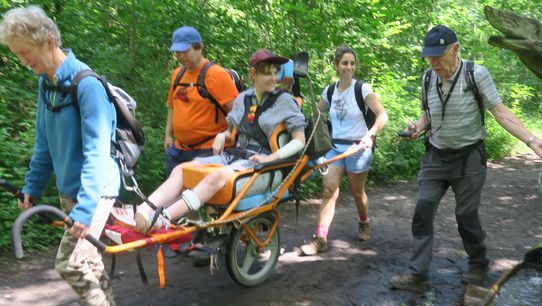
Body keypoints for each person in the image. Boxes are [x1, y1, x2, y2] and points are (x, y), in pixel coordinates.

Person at [0, 6, 128, 306]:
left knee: (69, 262)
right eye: (17, 55)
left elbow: (97, 154)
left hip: (96, 189)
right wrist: (32, 187)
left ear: (49, 41)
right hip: (70, 191)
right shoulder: (47, 85)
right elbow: (44, 143)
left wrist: (86, 208)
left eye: (26, 52)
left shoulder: (86, 86)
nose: (23, 61)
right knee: (87, 259)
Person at [390, 25, 542, 293]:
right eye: (429, 57)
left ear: (455, 49)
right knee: (422, 211)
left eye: (439, 56)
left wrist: (532, 141)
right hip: (435, 156)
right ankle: (418, 273)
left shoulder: (475, 75)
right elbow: (428, 114)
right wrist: (417, 129)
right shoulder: (427, 78)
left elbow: (500, 112)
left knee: (465, 216)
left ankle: (478, 264)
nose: (433, 62)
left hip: (469, 159)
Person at [134, 49, 306, 231]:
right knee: (182, 170)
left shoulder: (285, 101)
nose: (273, 78)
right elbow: (231, 131)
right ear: (254, 73)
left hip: (266, 165)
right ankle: (144, 211)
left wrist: (270, 158)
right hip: (237, 155)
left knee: (218, 175)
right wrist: (221, 135)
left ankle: (163, 219)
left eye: (275, 72)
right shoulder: (244, 98)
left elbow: (299, 141)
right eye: (267, 73)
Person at [300, 45, 388, 255]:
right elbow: (316, 115)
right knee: (329, 191)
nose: (348, 67)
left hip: (358, 148)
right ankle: (320, 239)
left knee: (357, 193)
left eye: (351, 63)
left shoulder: (362, 89)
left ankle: (364, 221)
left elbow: (382, 115)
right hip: (335, 147)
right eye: (344, 63)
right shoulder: (330, 91)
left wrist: (370, 135)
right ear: (337, 66)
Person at [164, 26, 239, 177]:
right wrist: (168, 135)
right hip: (177, 150)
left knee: (196, 199)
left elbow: (239, 112)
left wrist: (226, 136)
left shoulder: (216, 75)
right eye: (177, 52)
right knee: (171, 198)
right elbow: (172, 106)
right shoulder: (177, 75)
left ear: (200, 48)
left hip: (208, 151)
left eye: (185, 51)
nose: (181, 56)